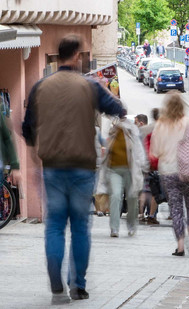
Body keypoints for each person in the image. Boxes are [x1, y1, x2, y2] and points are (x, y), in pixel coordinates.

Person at [22, 35, 124, 301]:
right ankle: (77, 284)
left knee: (55, 225)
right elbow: (118, 109)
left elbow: (27, 126)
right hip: (82, 168)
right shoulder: (89, 85)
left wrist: (35, 152)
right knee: (80, 227)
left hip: (52, 167)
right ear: (77, 56)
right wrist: (104, 88)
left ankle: (56, 279)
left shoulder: (41, 86)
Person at [151, 92, 189, 256]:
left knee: (175, 208)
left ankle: (180, 245)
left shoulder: (161, 125)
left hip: (169, 171)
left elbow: (155, 151)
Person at [96, 115, 147, 238]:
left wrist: (143, 165)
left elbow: (138, 150)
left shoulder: (132, 133)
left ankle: (132, 225)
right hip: (114, 170)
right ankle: (114, 228)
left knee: (132, 197)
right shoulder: (112, 134)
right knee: (115, 196)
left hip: (130, 170)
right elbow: (106, 151)